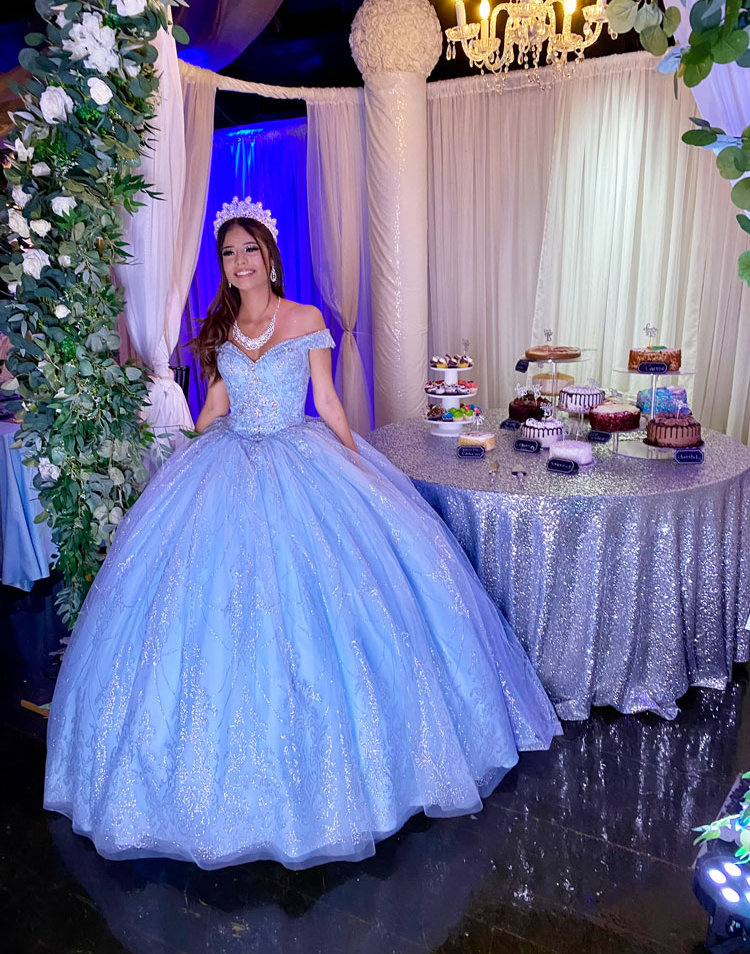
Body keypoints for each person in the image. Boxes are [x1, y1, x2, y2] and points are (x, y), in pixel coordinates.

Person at [44, 197, 561, 871]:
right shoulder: (224, 326)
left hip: (299, 456)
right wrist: (181, 453)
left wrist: (357, 465)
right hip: (229, 461)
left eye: (248, 250)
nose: (239, 263)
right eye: (228, 254)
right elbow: (219, 405)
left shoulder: (305, 319)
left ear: (269, 254)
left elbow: (327, 400)